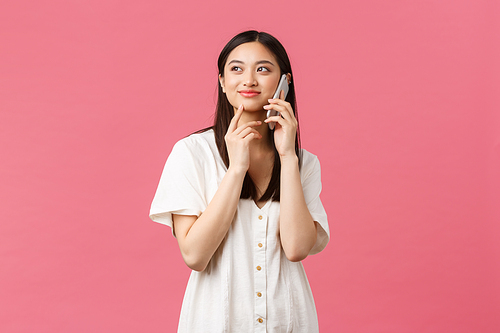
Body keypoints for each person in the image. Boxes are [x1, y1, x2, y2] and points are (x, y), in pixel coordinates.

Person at [150, 30, 329, 332]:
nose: (249, 80)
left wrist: (287, 158)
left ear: (284, 82)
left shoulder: (302, 163)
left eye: (262, 69)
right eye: (236, 68)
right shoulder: (193, 153)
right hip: (216, 322)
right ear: (221, 81)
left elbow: (297, 248)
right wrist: (236, 170)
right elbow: (194, 254)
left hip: (289, 320)